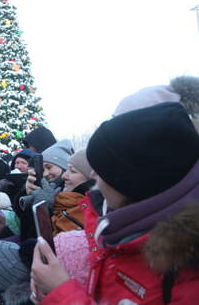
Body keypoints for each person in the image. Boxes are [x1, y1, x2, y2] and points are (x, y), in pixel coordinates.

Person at [31, 102, 199, 304]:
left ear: (131, 181)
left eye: (102, 170)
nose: (92, 175)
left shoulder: (185, 276)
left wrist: (62, 293)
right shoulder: (112, 227)